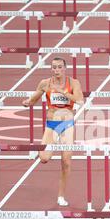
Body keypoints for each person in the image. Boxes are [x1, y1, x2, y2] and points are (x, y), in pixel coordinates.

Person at [22, 57, 84, 207]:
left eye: (59, 67)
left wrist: (63, 92)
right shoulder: (45, 83)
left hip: (67, 124)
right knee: (44, 158)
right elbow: (34, 99)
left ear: (65, 68)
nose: (56, 70)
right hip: (51, 124)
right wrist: (28, 102)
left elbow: (80, 100)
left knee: (66, 162)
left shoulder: (73, 83)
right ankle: (51, 142)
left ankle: (61, 196)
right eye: (54, 67)